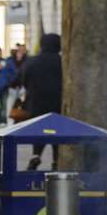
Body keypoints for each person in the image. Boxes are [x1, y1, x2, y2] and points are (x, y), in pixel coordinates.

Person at [20, 33, 63, 169]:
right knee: (57, 132)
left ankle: (36, 154)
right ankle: (56, 160)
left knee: (40, 129)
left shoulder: (32, 61)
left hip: (37, 102)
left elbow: (23, 79)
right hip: (58, 102)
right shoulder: (63, 61)